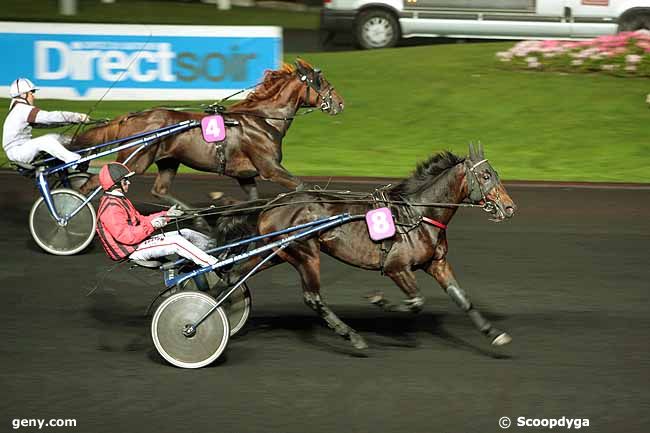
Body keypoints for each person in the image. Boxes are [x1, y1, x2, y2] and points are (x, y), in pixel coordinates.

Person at [96, 162, 219, 268]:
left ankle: (216, 250)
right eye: (125, 180)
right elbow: (127, 237)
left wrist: (167, 215)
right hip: (131, 250)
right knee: (176, 242)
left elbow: (140, 220)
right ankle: (213, 264)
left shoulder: (118, 200)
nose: (128, 183)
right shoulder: (111, 208)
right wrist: (152, 225)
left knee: (187, 232)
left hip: (136, 243)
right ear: (116, 184)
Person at [2, 77, 89, 166]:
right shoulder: (22, 109)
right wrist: (77, 117)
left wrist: (71, 121)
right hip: (18, 151)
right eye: (31, 92)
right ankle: (74, 160)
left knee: (55, 137)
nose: (33, 96)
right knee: (46, 141)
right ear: (23, 95)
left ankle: (83, 146)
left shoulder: (19, 109)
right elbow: (49, 117)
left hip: (21, 149)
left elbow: (46, 124)